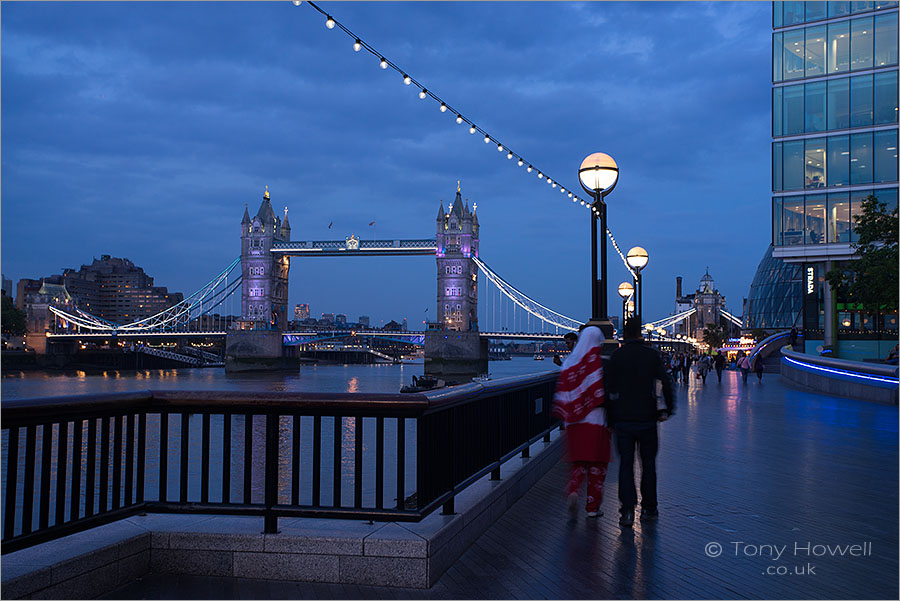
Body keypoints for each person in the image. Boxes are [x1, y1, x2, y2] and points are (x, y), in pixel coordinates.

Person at [605, 318, 675, 528]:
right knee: (648, 465)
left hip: (623, 420)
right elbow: (666, 382)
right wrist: (668, 410)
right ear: (640, 333)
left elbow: (608, 390)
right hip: (647, 419)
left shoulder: (616, 357)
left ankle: (627, 511)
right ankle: (649, 508)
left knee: (625, 465)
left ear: (625, 335)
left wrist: (611, 419)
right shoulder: (651, 355)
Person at [552, 326, 611, 519]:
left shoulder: (569, 363)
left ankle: (573, 490)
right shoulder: (600, 363)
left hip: (574, 422)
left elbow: (563, 391)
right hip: (597, 420)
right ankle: (593, 507)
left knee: (578, 462)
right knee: (597, 464)